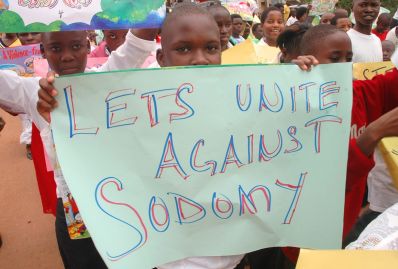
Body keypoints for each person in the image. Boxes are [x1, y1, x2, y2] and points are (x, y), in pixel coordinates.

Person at [0, 26, 157, 267]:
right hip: (73, 209)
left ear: (88, 47)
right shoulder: (34, 91)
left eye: (75, 46)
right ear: (43, 51)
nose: (66, 56)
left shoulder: (105, 79)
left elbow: (135, 48)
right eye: (55, 48)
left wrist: (145, 13)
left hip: (122, 202)